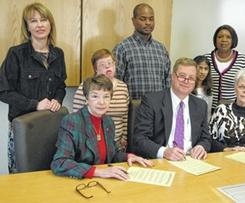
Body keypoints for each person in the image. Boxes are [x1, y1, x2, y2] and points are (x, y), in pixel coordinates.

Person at [0, 2, 67, 173]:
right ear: (27, 27)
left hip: (50, 125)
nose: (39, 25)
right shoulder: (16, 54)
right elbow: (3, 91)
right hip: (23, 126)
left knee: (48, 173)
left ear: (50, 24)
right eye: (33, 21)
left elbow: (61, 86)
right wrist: (35, 105)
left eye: (43, 20)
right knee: (21, 175)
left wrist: (57, 100)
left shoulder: (58, 54)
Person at [51, 75, 152, 180]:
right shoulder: (72, 121)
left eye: (106, 96)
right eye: (95, 96)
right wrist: (98, 172)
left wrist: (128, 156)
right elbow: (60, 162)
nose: (102, 102)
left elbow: (113, 154)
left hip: (103, 181)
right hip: (81, 182)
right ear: (86, 98)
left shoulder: (108, 122)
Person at [133, 57, 211, 161]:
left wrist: (201, 147)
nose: (186, 81)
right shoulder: (152, 101)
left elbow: (206, 138)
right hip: (161, 161)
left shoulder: (201, 105)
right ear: (173, 76)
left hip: (191, 161)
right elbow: (139, 138)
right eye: (182, 76)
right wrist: (164, 152)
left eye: (191, 78)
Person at [73, 49, 129, 151]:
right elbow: (76, 117)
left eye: (110, 63)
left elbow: (125, 116)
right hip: (91, 145)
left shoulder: (123, 87)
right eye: (103, 65)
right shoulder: (86, 86)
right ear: (96, 69)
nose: (108, 67)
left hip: (117, 146)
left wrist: (124, 137)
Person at [113, 3, 171, 99]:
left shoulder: (161, 49)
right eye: (143, 19)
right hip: (133, 107)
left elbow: (167, 80)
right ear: (133, 21)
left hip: (158, 107)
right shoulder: (122, 48)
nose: (148, 22)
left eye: (151, 19)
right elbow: (116, 82)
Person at [204, 24, 245, 112]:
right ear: (215, 40)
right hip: (207, 109)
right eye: (220, 37)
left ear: (233, 40)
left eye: (228, 37)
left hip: (233, 110)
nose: (224, 40)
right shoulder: (206, 58)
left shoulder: (242, 60)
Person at [192, 55, 213, 120]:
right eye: (200, 68)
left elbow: (208, 114)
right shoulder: (188, 88)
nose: (203, 72)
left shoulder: (208, 90)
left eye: (206, 69)